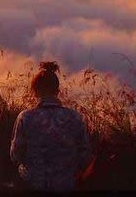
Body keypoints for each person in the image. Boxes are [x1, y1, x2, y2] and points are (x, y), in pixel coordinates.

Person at [10, 61, 91, 192]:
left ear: (35, 91)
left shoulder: (25, 117)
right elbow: (85, 155)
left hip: (33, 185)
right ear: (57, 91)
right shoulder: (75, 117)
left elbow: (15, 155)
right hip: (67, 186)